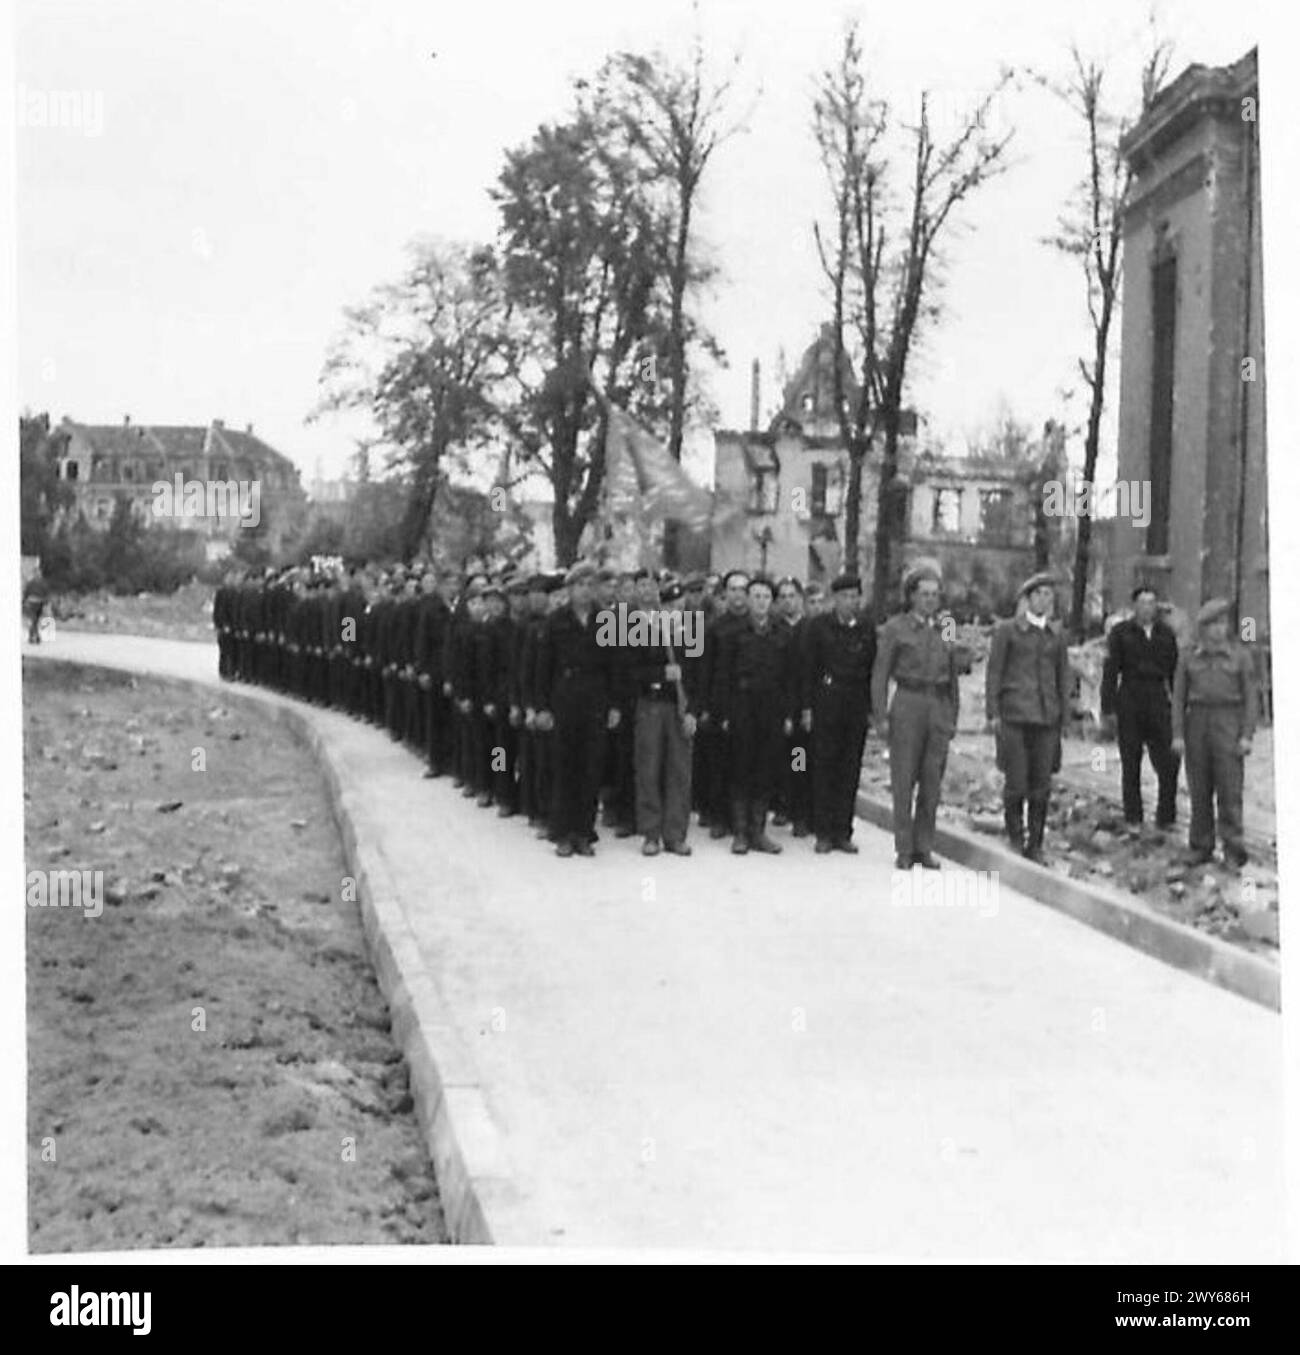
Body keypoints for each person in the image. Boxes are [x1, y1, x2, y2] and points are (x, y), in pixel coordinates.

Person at [871, 558, 961, 870]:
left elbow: (952, 674)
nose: (930, 600)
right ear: (911, 596)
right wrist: (880, 716)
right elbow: (880, 674)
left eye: (935, 594)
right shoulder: (895, 628)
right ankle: (904, 848)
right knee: (904, 778)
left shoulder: (946, 627)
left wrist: (952, 717)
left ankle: (925, 846)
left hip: (937, 704)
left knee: (932, 780)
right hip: (908, 702)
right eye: (924, 594)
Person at [534, 561, 620, 858]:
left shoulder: (605, 620)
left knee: (591, 768)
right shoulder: (556, 620)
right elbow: (542, 667)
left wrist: (614, 705)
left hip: (595, 699)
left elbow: (614, 668)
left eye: (590, 585)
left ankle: (584, 832)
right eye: (580, 585)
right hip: (565, 697)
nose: (585, 591)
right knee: (564, 767)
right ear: (570, 589)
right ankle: (562, 832)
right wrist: (542, 707)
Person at [985, 572, 1071, 863]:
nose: (1044, 600)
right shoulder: (1008, 631)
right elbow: (994, 671)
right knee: (1017, 781)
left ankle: (1036, 843)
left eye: (1049, 595)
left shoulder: (1056, 635)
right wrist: (993, 711)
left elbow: (1063, 677)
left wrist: (1065, 718)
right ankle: (1015, 836)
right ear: (1027, 599)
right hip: (1014, 715)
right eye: (1038, 595)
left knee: (1041, 786)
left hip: (1046, 718)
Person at [713, 575, 798, 854]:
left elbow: (789, 678)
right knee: (740, 768)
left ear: (771, 602)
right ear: (747, 600)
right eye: (756, 596)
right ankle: (740, 832)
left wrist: (787, 714)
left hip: (771, 708)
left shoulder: (782, 634)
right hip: (741, 706)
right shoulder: (732, 634)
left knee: (765, 769)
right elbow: (722, 676)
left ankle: (758, 831)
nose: (760, 602)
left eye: (765, 597)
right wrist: (723, 712)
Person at [1171, 598, 1259, 867]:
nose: (1219, 630)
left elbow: (1251, 698)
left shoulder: (1240, 656)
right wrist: (1177, 734)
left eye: (1223, 624)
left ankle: (1233, 849)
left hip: (1228, 722)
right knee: (1199, 789)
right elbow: (1178, 698)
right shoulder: (1188, 656)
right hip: (1197, 722)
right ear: (1203, 629)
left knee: (1230, 790)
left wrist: (1246, 735)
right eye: (1213, 625)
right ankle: (1200, 845)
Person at [803, 574, 876, 853]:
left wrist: (870, 708)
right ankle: (822, 831)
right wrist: (807, 707)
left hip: (855, 703)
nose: (850, 602)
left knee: (850, 768)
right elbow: (809, 669)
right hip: (826, 700)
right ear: (835, 599)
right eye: (845, 596)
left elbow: (872, 671)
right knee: (823, 766)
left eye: (854, 596)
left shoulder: (866, 629)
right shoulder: (819, 627)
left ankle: (842, 830)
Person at [1101, 585, 1181, 829]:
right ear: (1134, 606)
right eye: (1143, 602)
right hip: (1130, 700)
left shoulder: (1166, 634)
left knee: (1168, 762)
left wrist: (1179, 707)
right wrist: (1108, 708)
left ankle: (1166, 816)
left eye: (1152, 602)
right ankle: (1133, 816)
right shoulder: (1121, 633)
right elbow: (1111, 671)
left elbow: (1175, 673)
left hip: (1158, 699)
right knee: (1131, 761)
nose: (1148, 607)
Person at [630, 578, 698, 857]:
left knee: (680, 772)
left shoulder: (693, 632)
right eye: (669, 607)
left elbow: (701, 675)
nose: (675, 612)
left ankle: (675, 834)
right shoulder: (642, 631)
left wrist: (694, 710)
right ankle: (650, 833)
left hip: (680, 709)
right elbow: (631, 672)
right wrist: (660, 675)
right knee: (649, 769)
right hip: (652, 705)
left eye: (680, 607)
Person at [697, 569, 751, 838]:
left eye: (743, 589)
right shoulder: (714, 628)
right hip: (720, 703)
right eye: (733, 589)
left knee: (746, 764)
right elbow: (705, 670)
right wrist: (704, 706)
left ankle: (745, 818)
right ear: (724, 594)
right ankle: (718, 816)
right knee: (718, 763)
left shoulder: (759, 624)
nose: (738, 595)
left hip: (750, 704)